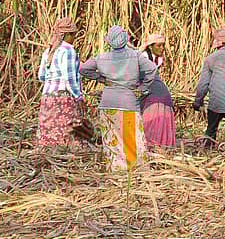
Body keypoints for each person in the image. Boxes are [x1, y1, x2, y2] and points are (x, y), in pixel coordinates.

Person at [80, 25, 156, 171]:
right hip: (128, 102)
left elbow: (84, 69)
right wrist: (143, 87)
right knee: (132, 137)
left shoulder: (101, 58)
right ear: (126, 39)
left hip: (108, 103)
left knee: (112, 138)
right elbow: (152, 69)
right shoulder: (136, 56)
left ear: (109, 41)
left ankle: (116, 169)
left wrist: (101, 79)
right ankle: (136, 169)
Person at [37, 17, 88, 149]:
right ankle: (67, 152)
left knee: (49, 130)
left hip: (47, 97)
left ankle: (49, 152)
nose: (74, 38)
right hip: (63, 97)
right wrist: (78, 96)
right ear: (66, 35)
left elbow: (41, 76)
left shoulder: (49, 51)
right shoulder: (68, 50)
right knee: (68, 131)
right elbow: (69, 78)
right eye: (73, 35)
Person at [140, 33, 177, 148]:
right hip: (154, 96)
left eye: (163, 45)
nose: (162, 48)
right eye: (158, 45)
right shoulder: (143, 58)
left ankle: (156, 149)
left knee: (154, 125)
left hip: (157, 95)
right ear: (150, 47)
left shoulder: (157, 60)